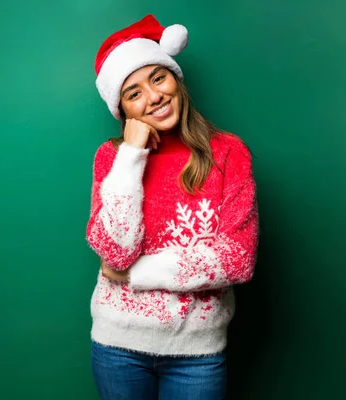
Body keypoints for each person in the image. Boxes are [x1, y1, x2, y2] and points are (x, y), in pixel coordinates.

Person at [86, 14, 259, 400]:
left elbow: (237, 258)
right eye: (134, 93)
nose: (153, 96)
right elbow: (115, 251)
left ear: (176, 80)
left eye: (158, 78)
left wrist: (133, 274)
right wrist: (131, 155)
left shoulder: (229, 152)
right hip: (118, 347)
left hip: (197, 353)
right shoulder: (110, 159)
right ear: (122, 109)